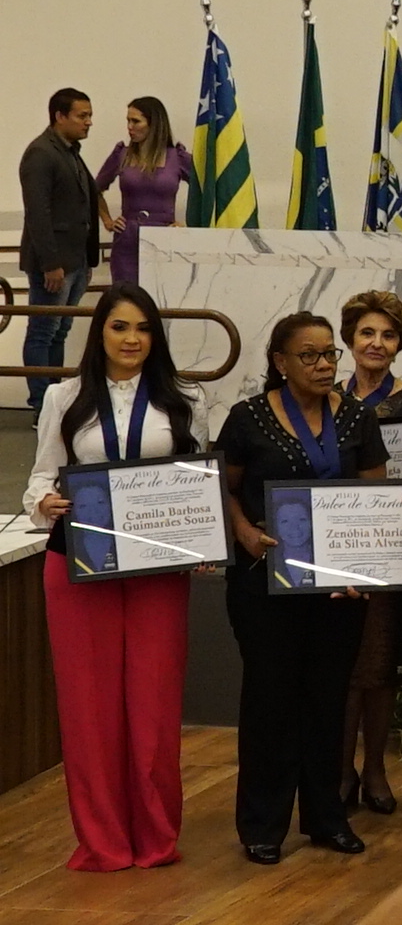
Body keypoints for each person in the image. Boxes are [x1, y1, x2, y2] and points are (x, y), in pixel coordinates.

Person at [22, 285, 202, 870]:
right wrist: (44, 502)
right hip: (77, 562)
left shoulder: (185, 398)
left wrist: (202, 539)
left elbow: (195, 481)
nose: (132, 339)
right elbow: (42, 474)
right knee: (88, 709)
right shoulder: (64, 397)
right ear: (99, 332)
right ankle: (103, 842)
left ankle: (156, 840)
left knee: (152, 706)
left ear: (156, 336)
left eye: (144, 328)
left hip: (156, 570)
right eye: (120, 327)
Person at [218, 311, 391, 864]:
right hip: (263, 583)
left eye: (329, 354)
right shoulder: (247, 419)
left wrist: (363, 569)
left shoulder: (358, 418)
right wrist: (243, 531)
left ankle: (326, 818)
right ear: (280, 363)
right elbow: (220, 489)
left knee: (328, 699)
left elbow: (374, 502)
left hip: (337, 592)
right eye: (309, 355)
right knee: (270, 700)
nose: (322, 364)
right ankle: (263, 826)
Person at [337, 289, 402, 819]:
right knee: (343, 665)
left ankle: (375, 767)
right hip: (338, 546)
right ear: (349, 340)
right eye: (367, 334)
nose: (376, 343)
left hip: (398, 547)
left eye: (388, 335)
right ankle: (339, 770)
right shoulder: (326, 397)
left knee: (379, 664)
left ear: (400, 344)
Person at [19, 87, 99, 410]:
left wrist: (87, 260)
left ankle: (55, 399)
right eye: (83, 116)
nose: (89, 122)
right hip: (54, 264)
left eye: (90, 115)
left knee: (60, 331)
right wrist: (50, 263)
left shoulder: (69, 151)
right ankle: (42, 404)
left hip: (76, 261)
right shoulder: (41, 153)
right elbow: (38, 213)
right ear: (59, 116)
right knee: (42, 331)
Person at [89, 96, 191, 289]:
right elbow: (94, 190)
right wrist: (108, 221)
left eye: (136, 121)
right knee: (127, 297)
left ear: (154, 123)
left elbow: (206, 192)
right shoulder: (122, 154)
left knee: (163, 298)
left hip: (165, 239)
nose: (130, 127)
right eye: (128, 121)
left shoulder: (177, 157)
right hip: (127, 241)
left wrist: (187, 225)